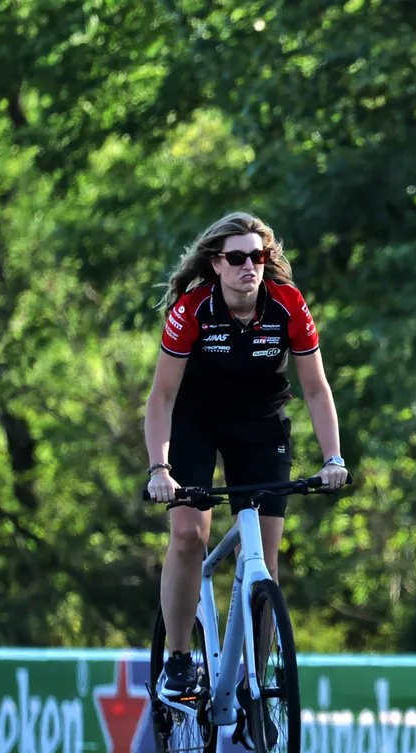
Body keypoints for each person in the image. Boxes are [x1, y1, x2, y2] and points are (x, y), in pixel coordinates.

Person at [143, 211, 348, 699]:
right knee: (191, 534)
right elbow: (161, 400)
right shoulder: (192, 310)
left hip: (259, 424)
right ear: (216, 264)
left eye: (257, 257)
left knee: (264, 557)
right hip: (195, 421)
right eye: (236, 258)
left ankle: (258, 684)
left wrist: (333, 458)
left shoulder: (288, 305)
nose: (248, 267)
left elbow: (316, 390)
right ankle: (177, 659)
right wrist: (159, 469)